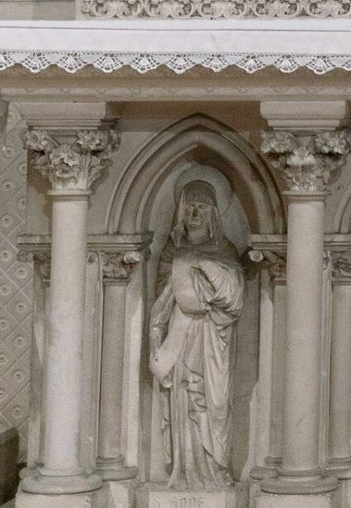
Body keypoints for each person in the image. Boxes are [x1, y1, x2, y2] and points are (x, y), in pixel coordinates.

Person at [148, 181, 245, 488]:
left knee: (212, 404)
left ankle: (215, 470)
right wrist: (155, 343)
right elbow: (161, 304)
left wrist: (208, 268)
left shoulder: (225, 250)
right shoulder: (172, 253)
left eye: (202, 208)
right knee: (185, 402)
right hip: (180, 335)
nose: (194, 213)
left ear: (214, 213)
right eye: (189, 207)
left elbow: (235, 298)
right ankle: (186, 471)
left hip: (213, 337)